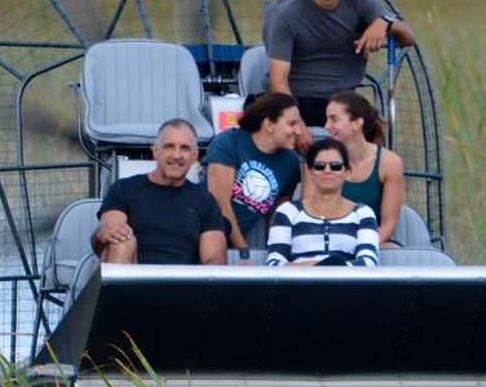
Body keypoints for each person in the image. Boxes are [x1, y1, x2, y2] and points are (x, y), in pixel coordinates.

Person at [264, 0, 415, 129]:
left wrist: (384, 23)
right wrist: (297, 124)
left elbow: (408, 37)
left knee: (376, 126)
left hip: (344, 100)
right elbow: (278, 83)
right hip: (299, 100)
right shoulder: (287, 12)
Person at [91, 119, 227, 266]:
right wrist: (104, 232)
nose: (176, 155)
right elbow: (111, 231)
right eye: (169, 147)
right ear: (155, 151)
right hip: (131, 272)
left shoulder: (205, 201)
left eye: (185, 148)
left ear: (195, 155)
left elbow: (215, 260)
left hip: (183, 277)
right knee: (121, 240)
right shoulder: (124, 189)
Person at [204, 93, 307, 252]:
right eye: (292, 124)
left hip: (239, 241)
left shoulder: (290, 161)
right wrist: (243, 250)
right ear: (269, 124)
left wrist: (274, 251)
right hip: (203, 233)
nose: (299, 131)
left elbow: (279, 213)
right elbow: (219, 203)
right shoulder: (229, 142)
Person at [264, 139, 379, 267]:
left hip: (346, 280)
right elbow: (274, 262)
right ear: (310, 172)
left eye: (335, 166)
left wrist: (330, 269)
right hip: (301, 280)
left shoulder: (363, 213)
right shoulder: (288, 211)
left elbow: (369, 261)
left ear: (347, 172)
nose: (327, 171)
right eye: (320, 166)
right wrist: (318, 267)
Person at [324, 91, 405, 248]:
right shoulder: (320, 160)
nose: (326, 126)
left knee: (392, 249)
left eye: (334, 119)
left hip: (370, 240)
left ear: (357, 123)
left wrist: (362, 246)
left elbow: (388, 225)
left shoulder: (390, 163)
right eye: (327, 119)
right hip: (330, 241)